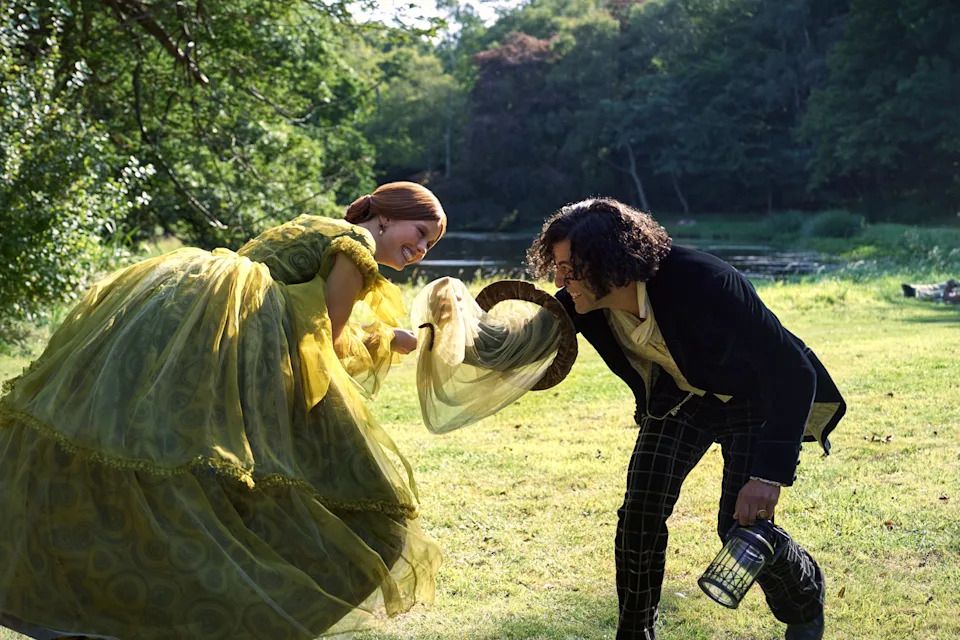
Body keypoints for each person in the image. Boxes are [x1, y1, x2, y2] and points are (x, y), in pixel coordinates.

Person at [0, 182, 446, 640]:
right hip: (230, 347)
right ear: (387, 216)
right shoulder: (356, 247)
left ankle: (109, 597)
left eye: (430, 245)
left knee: (157, 456)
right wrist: (390, 339)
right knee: (352, 494)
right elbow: (325, 342)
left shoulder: (319, 225)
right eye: (420, 232)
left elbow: (298, 302)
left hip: (182, 317)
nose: (421, 250)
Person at [526, 198, 846, 640]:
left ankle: (804, 601)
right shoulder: (582, 302)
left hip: (753, 398)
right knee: (639, 514)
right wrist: (459, 339)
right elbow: (521, 343)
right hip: (680, 399)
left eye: (569, 267)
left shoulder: (705, 282)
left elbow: (795, 371)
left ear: (609, 261)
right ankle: (634, 631)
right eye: (557, 266)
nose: (559, 279)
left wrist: (769, 476)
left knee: (740, 530)